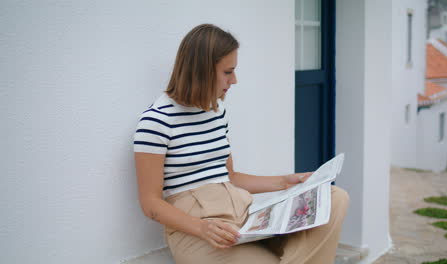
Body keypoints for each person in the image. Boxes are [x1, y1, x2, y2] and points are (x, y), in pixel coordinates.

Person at [133, 24, 349, 264]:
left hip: (244, 218)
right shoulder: (156, 121)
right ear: (202, 70)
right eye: (228, 72)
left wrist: (285, 181)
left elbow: (231, 177)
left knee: (334, 197)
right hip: (199, 232)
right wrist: (202, 228)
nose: (234, 80)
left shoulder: (217, 111)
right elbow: (150, 203)